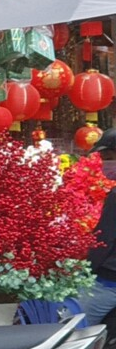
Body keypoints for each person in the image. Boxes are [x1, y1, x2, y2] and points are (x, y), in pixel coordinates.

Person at [76, 128, 116, 327]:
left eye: (109, 157)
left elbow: (105, 238)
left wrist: (87, 269)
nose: (105, 164)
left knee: (75, 328)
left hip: (109, 282)